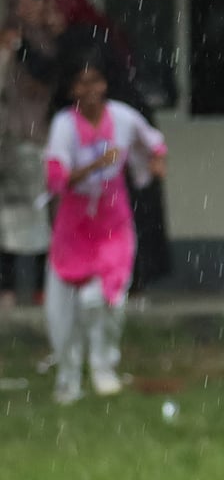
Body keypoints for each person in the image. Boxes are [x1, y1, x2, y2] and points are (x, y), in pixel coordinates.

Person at [42, 46, 166, 403]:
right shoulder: (64, 125)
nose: (89, 90)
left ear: (104, 85)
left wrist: (156, 165)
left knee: (105, 296)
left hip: (114, 222)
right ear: (72, 90)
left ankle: (103, 367)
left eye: (94, 81)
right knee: (60, 310)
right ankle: (68, 377)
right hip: (74, 225)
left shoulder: (123, 118)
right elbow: (56, 178)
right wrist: (96, 166)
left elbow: (154, 144)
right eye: (81, 83)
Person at [36, 0, 173, 292]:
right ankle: (125, 277)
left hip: (115, 130)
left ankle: (119, 277)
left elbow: (50, 74)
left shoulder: (79, 41)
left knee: (119, 207)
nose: (48, 20)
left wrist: (19, 46)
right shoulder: (97, 34)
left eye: (53, 11)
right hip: (112, 130)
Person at [0, 0, 53, 308]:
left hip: (34, 138)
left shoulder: (47, 42)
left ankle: (40, 287)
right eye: (18, 4)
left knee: (38, 215)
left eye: (30, 2)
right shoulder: (6, 40)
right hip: (7, 140)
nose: (24, 10)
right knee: (5, 219)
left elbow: (46, 78)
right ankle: (5, 288)